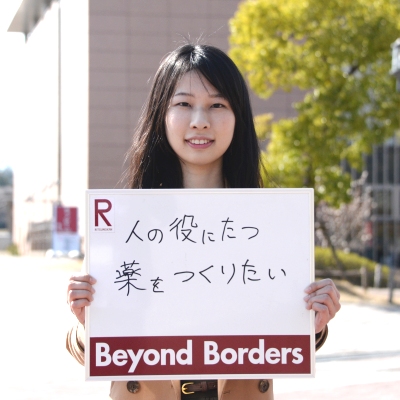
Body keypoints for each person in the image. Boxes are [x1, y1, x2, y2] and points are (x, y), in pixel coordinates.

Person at [66, 43, 341, 400]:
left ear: (238, 117)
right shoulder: (124, 219)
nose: (200, 120)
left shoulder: (268, 221)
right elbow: (86, 350)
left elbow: (279, 336)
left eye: (217, 105)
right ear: (161, 114)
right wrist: (91, 323)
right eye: (183, 104)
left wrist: (313, 322)